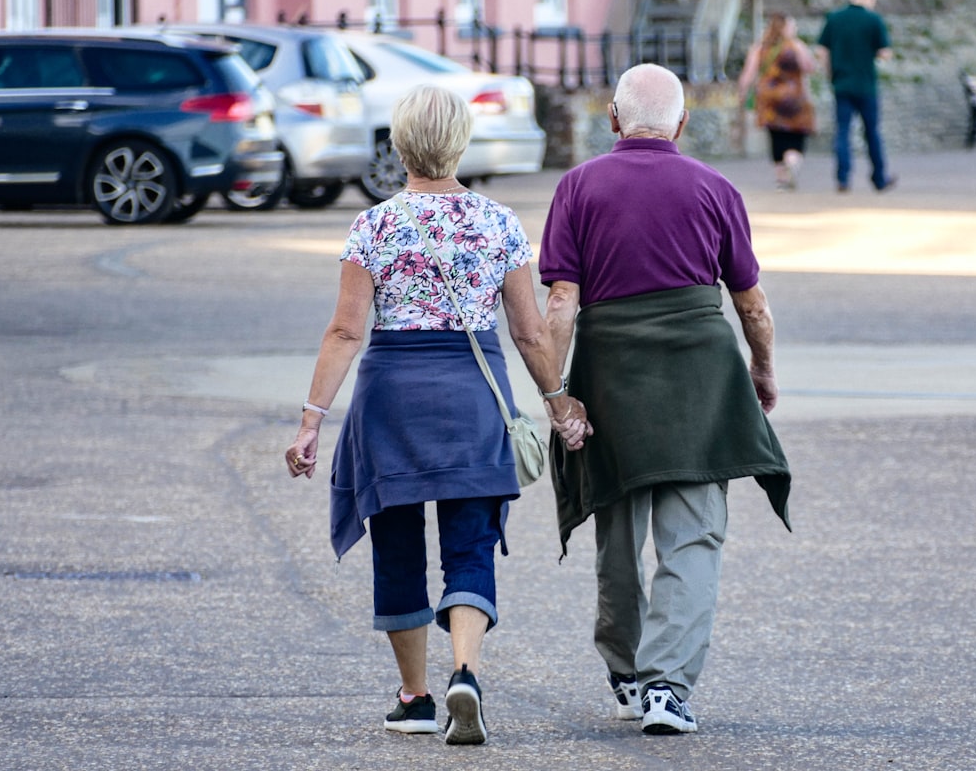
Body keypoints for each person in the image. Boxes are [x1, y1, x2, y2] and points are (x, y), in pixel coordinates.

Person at [284, 84, 590, 746]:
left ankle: (416, 697)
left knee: (397, 549)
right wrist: (558, 404)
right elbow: (531, 334)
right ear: (460, 143)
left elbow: (344, 332)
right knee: (470, 549)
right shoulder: (500, 223)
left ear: (398, 146)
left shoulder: (375, 225)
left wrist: (311, 420)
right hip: (472, 400)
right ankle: (467, 675)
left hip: (389, 402)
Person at [539, 63, 792, 736]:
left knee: (616, 532)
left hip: (610, 374)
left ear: (614, 121)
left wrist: (556, 392)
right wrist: (761, 371)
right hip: (699, 379)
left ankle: (626, 672)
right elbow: (751, 304)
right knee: (693, 537)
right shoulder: (715, 187)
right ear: (682, 124)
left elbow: (561, 301)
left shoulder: (578, 186)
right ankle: (667, 690)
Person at [816, 0, 896, 192]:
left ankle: (843, 178)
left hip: (841, 84)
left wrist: (830, 74)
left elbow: (821, 51)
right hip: (866, 85)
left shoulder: (835, 18)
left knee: (842, 131)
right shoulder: (873, 20)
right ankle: (879, 178)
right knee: (872, 132)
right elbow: (885, 53)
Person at [738, 12, 817, 191]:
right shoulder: (796, 46)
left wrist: (742, 93)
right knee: (797, 134)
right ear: (786, 28)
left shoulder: (760, 47)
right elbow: (809, 68)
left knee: (776, 136)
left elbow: (748, 74)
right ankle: (792, 159)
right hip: (795, 97)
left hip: (769, 99)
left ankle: (781, 178)